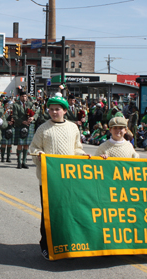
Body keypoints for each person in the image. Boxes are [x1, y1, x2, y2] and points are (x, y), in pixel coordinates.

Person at [29, 95, 88, 260]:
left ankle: (67, 242)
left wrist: (83, 156)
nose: (54, 112)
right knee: (49, 213)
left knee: (68, 212)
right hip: (49, 180)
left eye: (57, 109)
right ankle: (46, 244)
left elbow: (77, 148)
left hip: (68, 179)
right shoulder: (43, 129)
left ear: (65, 111)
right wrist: (39, 154)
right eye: (51, 109)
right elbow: (33, 148)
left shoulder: (73, 128)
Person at [13, 91, 37, 169]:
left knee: (26, 145)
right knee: (20, 144)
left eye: (25, 96)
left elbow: (36, 112)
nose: (24, 98)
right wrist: (23, 121)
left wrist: (32, 118)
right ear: (20, 97)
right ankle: (19, 162)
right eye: (23, 96)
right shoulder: (16, 105)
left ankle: (24, 162)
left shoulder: (30, 104)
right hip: (20, 125)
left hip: (29, 126)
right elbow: (15, 116)